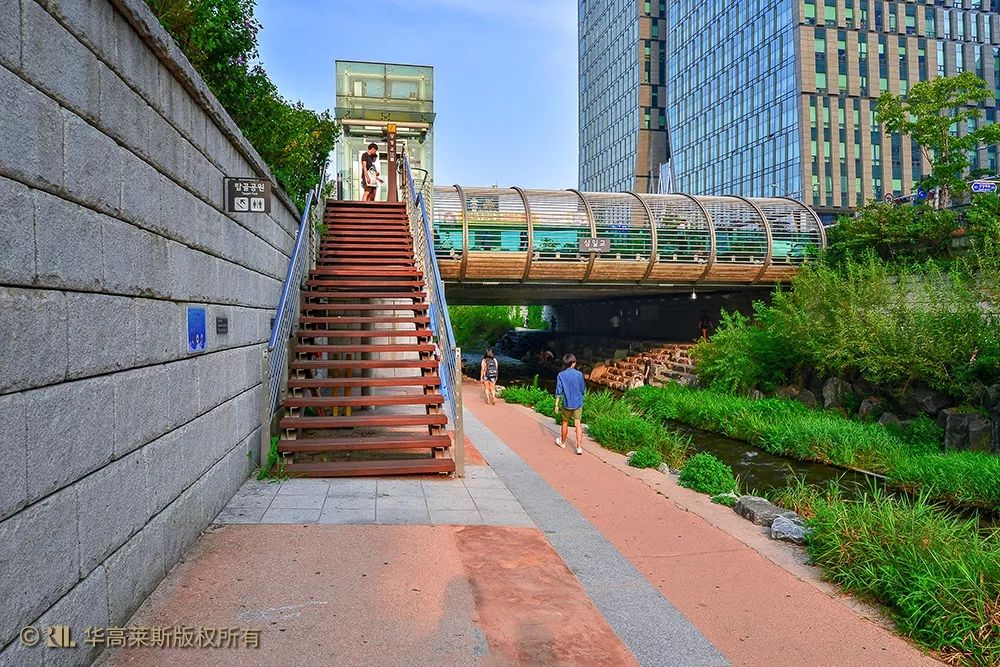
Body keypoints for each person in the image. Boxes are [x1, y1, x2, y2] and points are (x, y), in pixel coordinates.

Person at [554, 353, 586, 455]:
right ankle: (579, 447)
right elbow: (582, 389)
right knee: (578, 424)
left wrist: (556, 405)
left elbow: (558, 391)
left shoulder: (561, 375)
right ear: (573, 363)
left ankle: (563, 442)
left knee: (565, 422)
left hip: (567, 403)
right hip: (577, 402)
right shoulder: (579, 374)